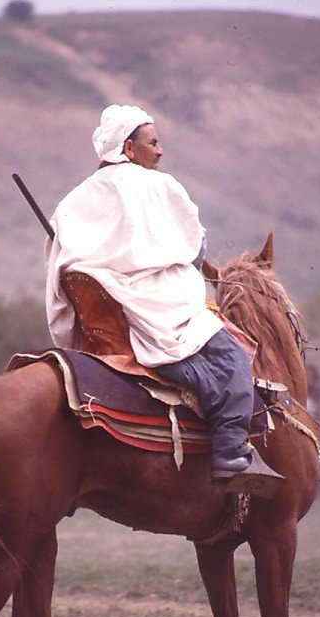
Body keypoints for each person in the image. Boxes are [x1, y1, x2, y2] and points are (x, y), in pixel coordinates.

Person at [45, 104, 285, 498]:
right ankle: (230, 454)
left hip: (109, 317)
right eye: (153, 143)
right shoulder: (159, 186)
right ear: (129, 147)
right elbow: (196, 247)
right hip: (158, 308)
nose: (161, 152)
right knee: (234, 360)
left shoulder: (74, 199)